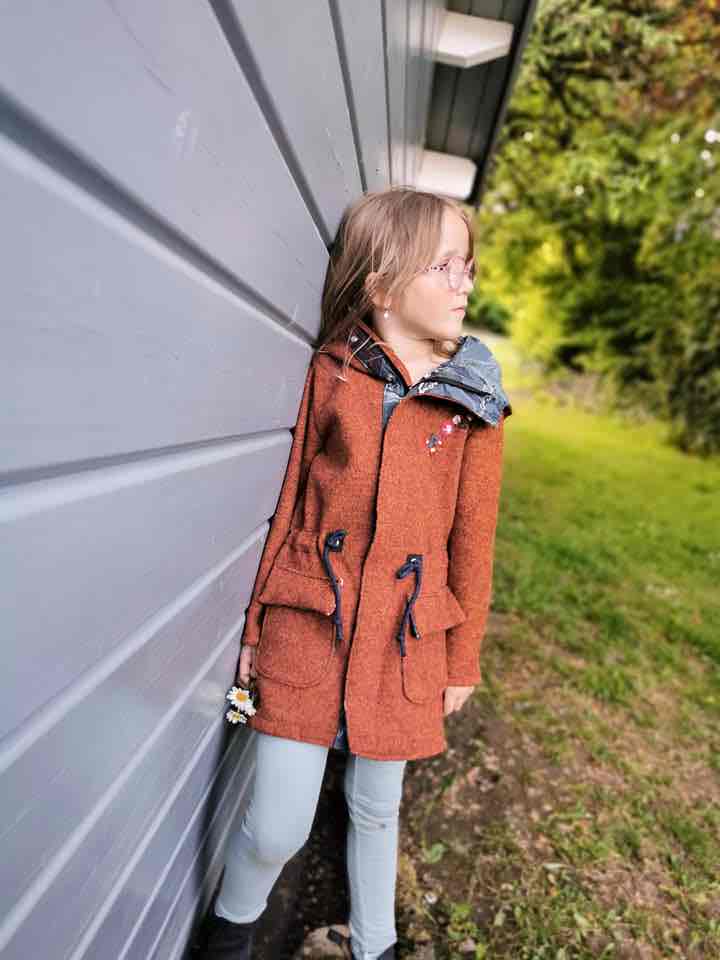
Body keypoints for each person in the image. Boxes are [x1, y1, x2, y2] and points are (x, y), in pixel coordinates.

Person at [198, 186, 512, 960]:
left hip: (406, 636)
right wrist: (255, 625)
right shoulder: (333, 375)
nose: (465, 283)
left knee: (376, 807)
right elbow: (288, 505)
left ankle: (375, 947)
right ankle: (230, 935)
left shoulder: (474, 402)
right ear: (383, 288)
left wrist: (462, 657)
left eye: (467, 267)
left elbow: (473, 541)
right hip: (310, 622)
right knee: (277, 825)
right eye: (444, 267)